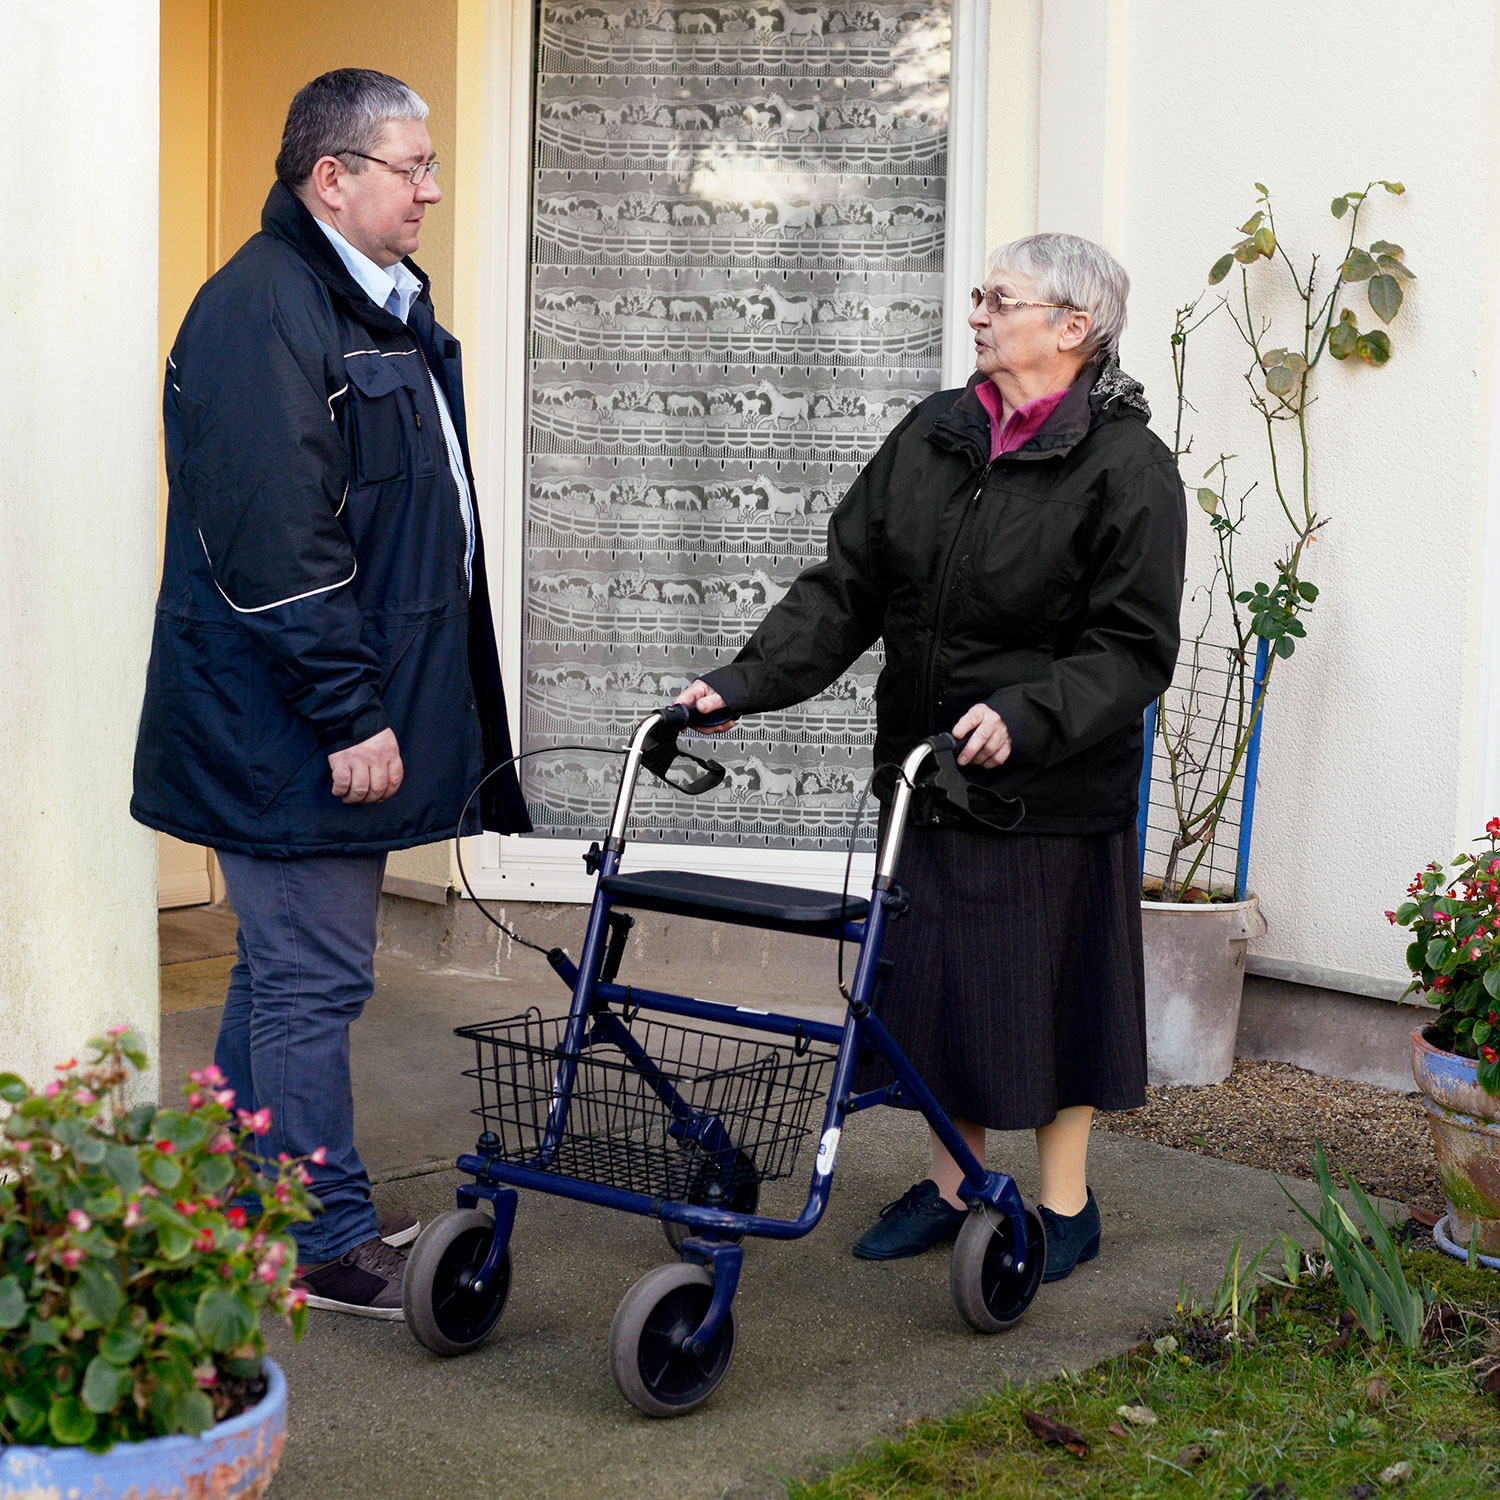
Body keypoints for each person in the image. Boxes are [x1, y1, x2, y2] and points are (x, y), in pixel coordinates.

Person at [678, 233, 1186, 1278]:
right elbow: (847, 587)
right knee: (945, 992)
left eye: (999, 300)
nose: (977, 315)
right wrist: (743, 681)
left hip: (1047, 785)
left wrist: (1030, 713)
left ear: (1072, 328)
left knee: (1049, 997)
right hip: (928, 776)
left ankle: (1064, 1206)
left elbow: (1131, 648)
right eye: (979, 298)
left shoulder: (1127, 467)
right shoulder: (937, 434)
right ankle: (957, 1184)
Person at [132, 69, 530, 1317]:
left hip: (323, 718)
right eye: (411, 166)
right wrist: (352, 710)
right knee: (312, 980)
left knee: (281, 975)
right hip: (290, 727)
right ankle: (322, 1238)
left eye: (428, 164)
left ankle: (249, 1204)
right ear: (333, 177)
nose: (433, 188)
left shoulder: (372, 304)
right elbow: (278, 547)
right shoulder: (266, 314)